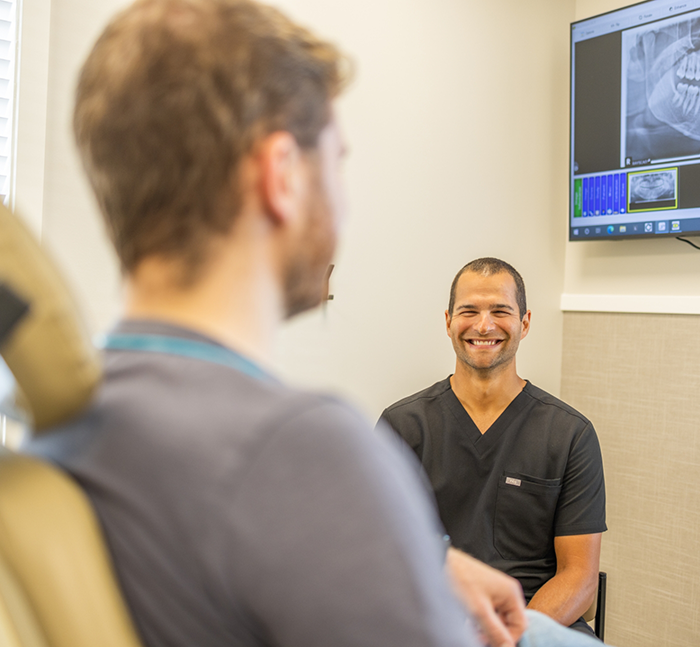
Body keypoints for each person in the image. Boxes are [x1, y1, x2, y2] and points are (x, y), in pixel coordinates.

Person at [24, 2, 608, 646]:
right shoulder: (299, 451)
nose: (343, 200)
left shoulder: (67, 425)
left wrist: (421, 568)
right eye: (337, 161)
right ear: (282, 178)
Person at [379, 258, 607, 636]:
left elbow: (580, 578)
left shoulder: (570, 434)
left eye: (500, 311)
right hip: (432, 622)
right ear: (449, 321)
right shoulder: (401, 427)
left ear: (526, 322)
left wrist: (510, 634)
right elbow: (383, 555)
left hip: (535, 621)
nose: (484, 326)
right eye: (469, 311)